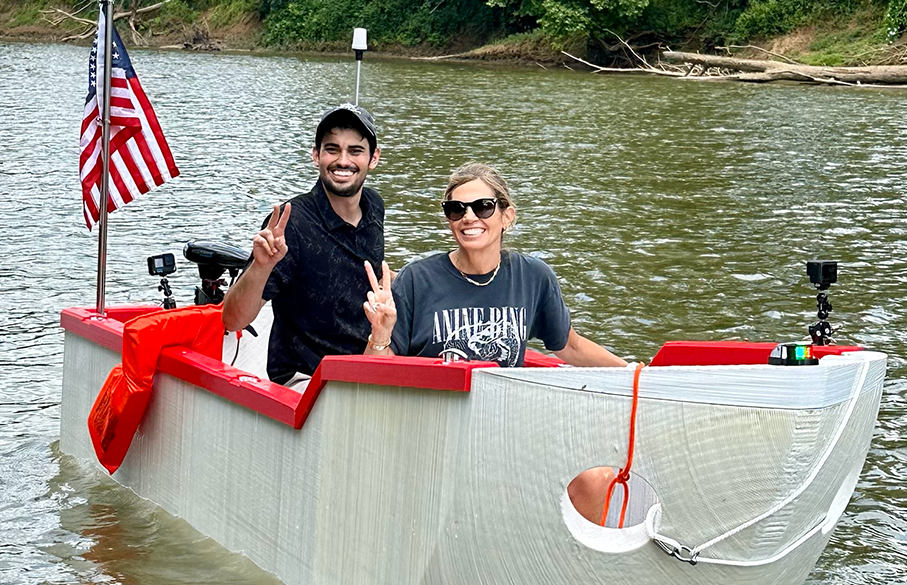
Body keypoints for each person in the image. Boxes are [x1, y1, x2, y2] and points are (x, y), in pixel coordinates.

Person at [361, 162, 626, 367]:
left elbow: (570, 346)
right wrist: (381, 334)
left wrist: (638, 373)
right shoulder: (415, 280)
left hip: (499, 420)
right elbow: (376, 373)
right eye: (456, 209)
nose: (469, 217)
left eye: (483, 207)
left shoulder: (533, 277)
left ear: (506, 216)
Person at [222, 103, 390, 387]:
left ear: (373, 158)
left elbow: (361, 272)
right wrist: (261, 267)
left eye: (355, 151)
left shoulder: (374, 205)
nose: (343, 160)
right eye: (332, 149)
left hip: (365, 358)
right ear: (316, 155)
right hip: (306, 379)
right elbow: (232, 320)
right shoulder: (290, 224)